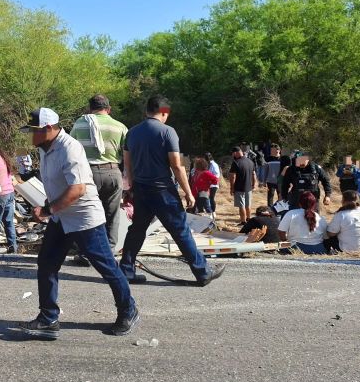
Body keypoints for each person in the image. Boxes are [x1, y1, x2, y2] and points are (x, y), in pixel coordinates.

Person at [17, 107, 139, 339]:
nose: (31, 137)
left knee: (106, 267)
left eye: (34, 131)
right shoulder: (45, 148)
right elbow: (57, 183)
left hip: (84, 218)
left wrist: (46, 210)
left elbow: (78, 188)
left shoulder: (70, 148)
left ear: (49, 128)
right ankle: (48, 317)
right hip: (62, 216)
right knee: (47, 263)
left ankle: (128, 310)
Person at [119, 96, 225, 286]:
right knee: (180, 230)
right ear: (164, 112)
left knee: (136, 230)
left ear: (146, 111)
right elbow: (176, 165)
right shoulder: (168, 132)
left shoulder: (132, 132)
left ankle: (126, 270)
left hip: (141, 189)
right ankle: (203, 272)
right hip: (163, 191)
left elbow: (128, 164)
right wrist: (188, 192)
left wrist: (131, 188)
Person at [70, 93, 129, 254]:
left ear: (90, 109)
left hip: (87, 174)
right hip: (112, 172)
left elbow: (71, 150)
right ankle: (108, 251)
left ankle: (84, 252)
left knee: (86, 213)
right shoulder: (120, 126)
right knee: (111, 214)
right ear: (108, 109)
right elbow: (127, 154)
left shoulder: (80, 124)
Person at [229, 147, 256, 225]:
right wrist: (254, 184)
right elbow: (254, 174)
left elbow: (232, 177)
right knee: (248, 204)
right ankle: (249, 218)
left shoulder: (236, 162)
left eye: (232, 153)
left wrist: (232, 188)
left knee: (242, 206)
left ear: (235, 153)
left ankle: (243, 222)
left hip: (239, 188)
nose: (232, 155)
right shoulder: (250, 161)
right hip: (249, 188)